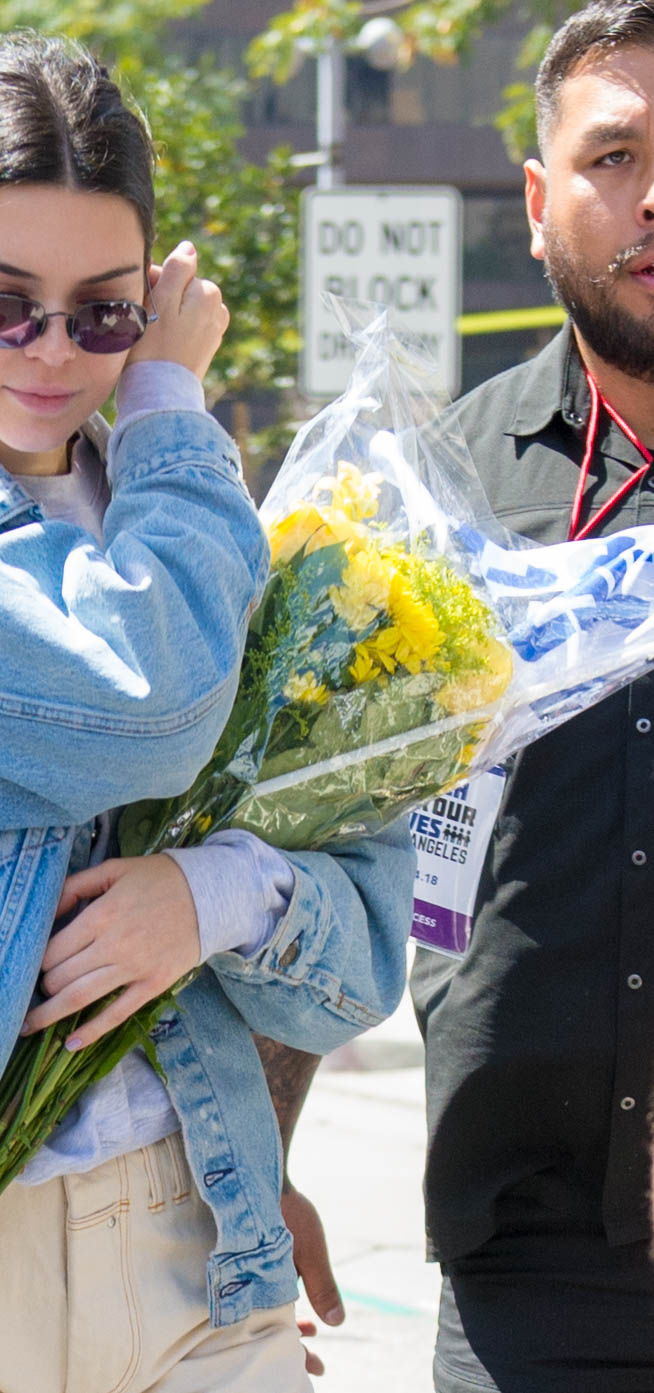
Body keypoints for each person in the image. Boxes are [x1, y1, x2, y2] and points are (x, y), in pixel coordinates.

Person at [0, 34, 413, 1393]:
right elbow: (144, 704)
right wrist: (166, 398)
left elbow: (369, 936)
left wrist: (214, 897)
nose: (54, 352)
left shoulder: (184, 519)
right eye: (1, 304)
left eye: (106, 313)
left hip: (197, 1228)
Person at [410, 5, 654, 1389]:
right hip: (521, 1270)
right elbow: (330, 833)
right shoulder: (440, 487)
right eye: (611, 156)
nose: (647, 197)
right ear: (536, 198)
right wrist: (257, 1161)